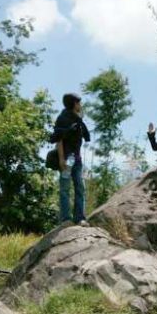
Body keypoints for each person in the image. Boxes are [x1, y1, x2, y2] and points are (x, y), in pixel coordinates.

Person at [51, 93, 90, 225]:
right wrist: (61, 159)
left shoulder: (77, 119)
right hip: (67, 159)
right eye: (78, 103)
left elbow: (81, 116)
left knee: (80, 187)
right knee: (65, 189)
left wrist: (79, 113)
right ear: (74, 104)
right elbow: (59, 139)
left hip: (77, 158)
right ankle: (66, 219)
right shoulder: (63, 118)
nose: (81, 105)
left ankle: (80, 218)